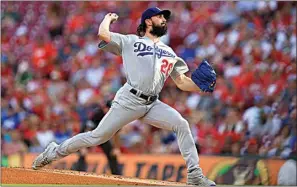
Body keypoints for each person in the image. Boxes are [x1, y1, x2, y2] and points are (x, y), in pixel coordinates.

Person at [32, 7, 216, 186]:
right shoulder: (131, 41)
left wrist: (199, 86)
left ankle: (195, 175)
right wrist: (107, 19)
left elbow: (182, 82)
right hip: (129, 100)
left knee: (181, 124)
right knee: (97, 137)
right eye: (160, 17)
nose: (164, 20)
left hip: (152, 103)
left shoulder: (169, 52)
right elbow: (103, 35)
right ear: (148, 21)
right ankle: (54, 152)